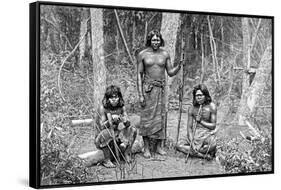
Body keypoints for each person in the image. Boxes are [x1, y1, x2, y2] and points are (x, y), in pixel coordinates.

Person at [137, 30, 182, 158]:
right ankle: (146, 148)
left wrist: (179, 65)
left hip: (161, 90)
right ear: (149, 41)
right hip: (147, 90)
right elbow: (139, 75)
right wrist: (140, 94)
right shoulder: (142, 54)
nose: (155, 42)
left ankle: (158, 147)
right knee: (146, 119)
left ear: (160, 40)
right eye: (153, 40)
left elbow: (171, 72)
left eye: (157, 40)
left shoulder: (165, 54)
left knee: (160, 118)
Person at [81, 85, 137, 168]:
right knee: (107, 133)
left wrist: (125, 121)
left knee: (132, 130)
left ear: (119, 97)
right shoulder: (103, 108)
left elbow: (127, 124)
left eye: (116, 97)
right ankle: (106, 160)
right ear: (107, 98)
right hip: (102, 138)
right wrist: (111, 120)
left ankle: (126, 153)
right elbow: (102, 126)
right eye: (111, 98)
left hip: (115, 135)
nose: (114, 100)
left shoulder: (121, 107)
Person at [176, 84, 217, 160]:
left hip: (207, 134)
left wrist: (200, 121)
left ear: (205, 95)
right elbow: (189, 128)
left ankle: (195, 152)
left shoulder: (212, 106)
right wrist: (192, 143)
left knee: (213, 144)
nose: (198, 97)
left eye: (201, 95)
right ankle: (202, 155)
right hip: (195, 134)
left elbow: (213, 126)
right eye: (197, 95)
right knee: (179, 145)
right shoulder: (192, 108)